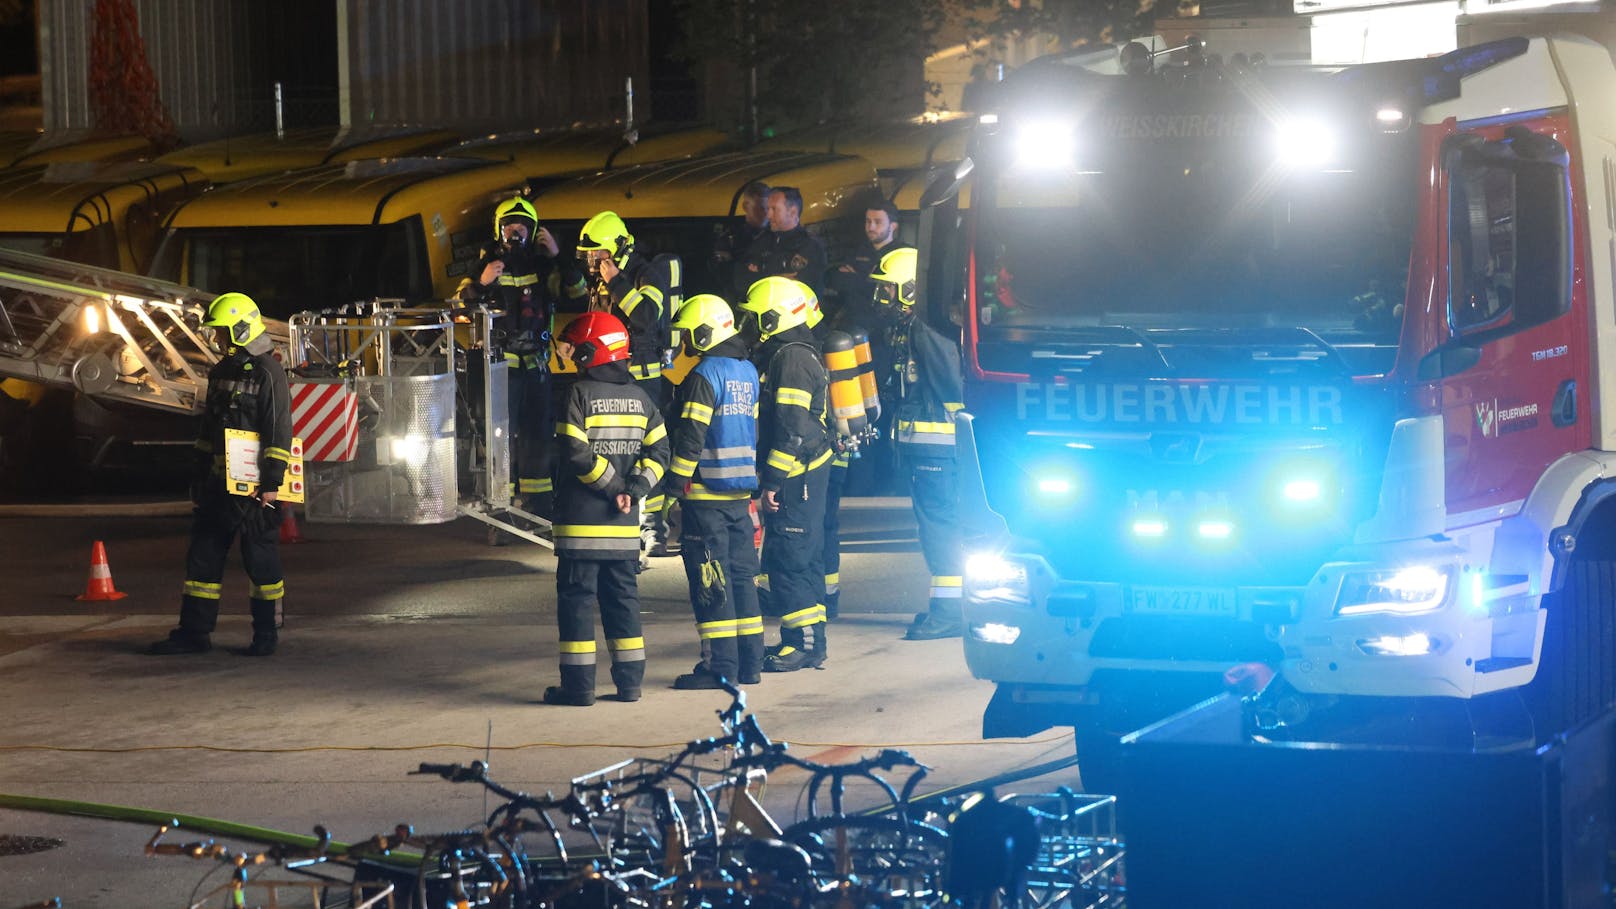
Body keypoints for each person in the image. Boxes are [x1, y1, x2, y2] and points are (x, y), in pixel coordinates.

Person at [149, 293, 291, 657]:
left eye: (222, 332)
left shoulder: (268, 372)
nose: (217, 340)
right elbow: (208, 428)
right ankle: (194, 633)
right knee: (202, 561)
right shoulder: (221, 372)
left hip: (256, 491)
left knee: (260, 563)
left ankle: (266, 634)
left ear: (240, 329)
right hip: (217, 488)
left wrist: (271, 484)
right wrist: (197, 474)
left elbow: (278, 431)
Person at [545, 311, 670, 706]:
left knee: (578, 605)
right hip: (622, 530)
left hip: (581, 527)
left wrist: (614, 487)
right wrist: (632, 491)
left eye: (578, 349)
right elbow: (661, 452)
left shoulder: (577, 395)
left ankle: (579, 689)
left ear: (592, 351)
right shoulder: (642, 398)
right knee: (624, 603)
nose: (573, 356)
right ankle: (630, 685)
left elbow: (576, 454)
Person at [458, 196, 587, 521]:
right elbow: (460, 306)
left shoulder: (545, 265)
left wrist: (559, 256)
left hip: (537, 366)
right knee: (499, 436)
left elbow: (577, 294)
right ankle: (500, 508)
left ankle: (538, 508)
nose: (515, 231)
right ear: (499, 230)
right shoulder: (484, 265)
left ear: (532, 231)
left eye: (522, 226)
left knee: (538, 436)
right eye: (509, 225)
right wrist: (482, 282)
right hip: (500, 367)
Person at [665, 294, 765, 689]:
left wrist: (672, 488)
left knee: (711, 582)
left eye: (689, 334)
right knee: (742, 578)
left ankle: (720, 667)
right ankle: (750, 664)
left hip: (705, 497)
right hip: (740, 496)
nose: (686, 341)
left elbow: (691, 437)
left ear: (704, 333)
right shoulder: (748, 371)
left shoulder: (705, 374)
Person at [871, 248, 966, 640]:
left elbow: (950, 386)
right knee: (935, 527)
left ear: (910, 289)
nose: (883, 300)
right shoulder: (912, 328)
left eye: (889, 291)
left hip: (935, 449)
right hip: (924, 448)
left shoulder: (925, 330)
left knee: (939, 528)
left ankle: (949, 611)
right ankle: (946, 608)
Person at [739, 277, 833, 672]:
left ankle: (801, 645)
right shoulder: (797, 353)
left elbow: (791, 428)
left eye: (756, 318)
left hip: (797, 475)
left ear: (774, 318)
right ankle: (811, 641)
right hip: (806, 472)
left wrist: (772, 481)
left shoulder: (791, 359)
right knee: (803, 558)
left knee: (789, 559)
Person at [577, 211, 679, 559]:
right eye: (590, 256)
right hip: (613, 377)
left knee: (648, 453)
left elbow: (647, 315)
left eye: (599, 255)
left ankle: (654, 529)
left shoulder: (643, 274)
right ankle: (623, 527)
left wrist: (618, 281)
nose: (594, 263)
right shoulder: (603, 279)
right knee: (614, 450)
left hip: (645, 379)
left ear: (618, 250)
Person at [828, 199, 907, 331]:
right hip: (853, 324)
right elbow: (835, 279)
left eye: (878, 222)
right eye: (868, 221)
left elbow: (892, 295)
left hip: (883, 329)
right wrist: (868, 283)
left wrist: (856, 280)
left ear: (893, 226)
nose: (871, 227)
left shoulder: (902, 254)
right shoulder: (858, 250)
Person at [737, 186, 827, 298]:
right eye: (768, 209)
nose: (768, 215)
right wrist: (776, 278)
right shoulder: (763, 239)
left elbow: (796, 290)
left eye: (774, 209)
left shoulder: (810, 246)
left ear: (793, 212)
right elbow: (739, 280)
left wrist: (759, 275)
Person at [712, 180, 770, 299]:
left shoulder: (777, 235)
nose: (766, 214)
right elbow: (722, 276)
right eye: (760, 208)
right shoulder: (730, 239)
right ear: (746, 206)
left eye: (768, 208)